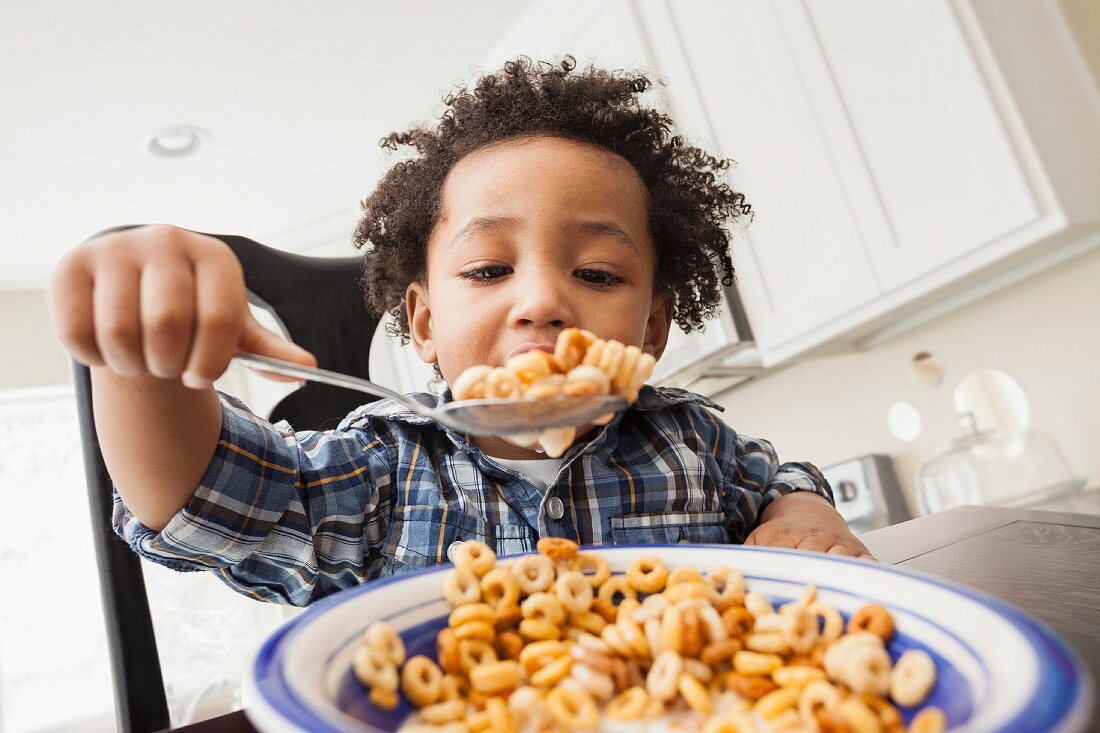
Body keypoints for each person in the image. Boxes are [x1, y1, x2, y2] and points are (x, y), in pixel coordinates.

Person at [47, 57, 873, 606]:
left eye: (596, 273)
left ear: (653, 325)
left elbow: (777, 479)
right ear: (425, 323)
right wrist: (141, 370)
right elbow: (201, 500)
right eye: (488, 271)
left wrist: (803, 508)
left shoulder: (691, 440)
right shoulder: (383, 468)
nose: (543, 301)